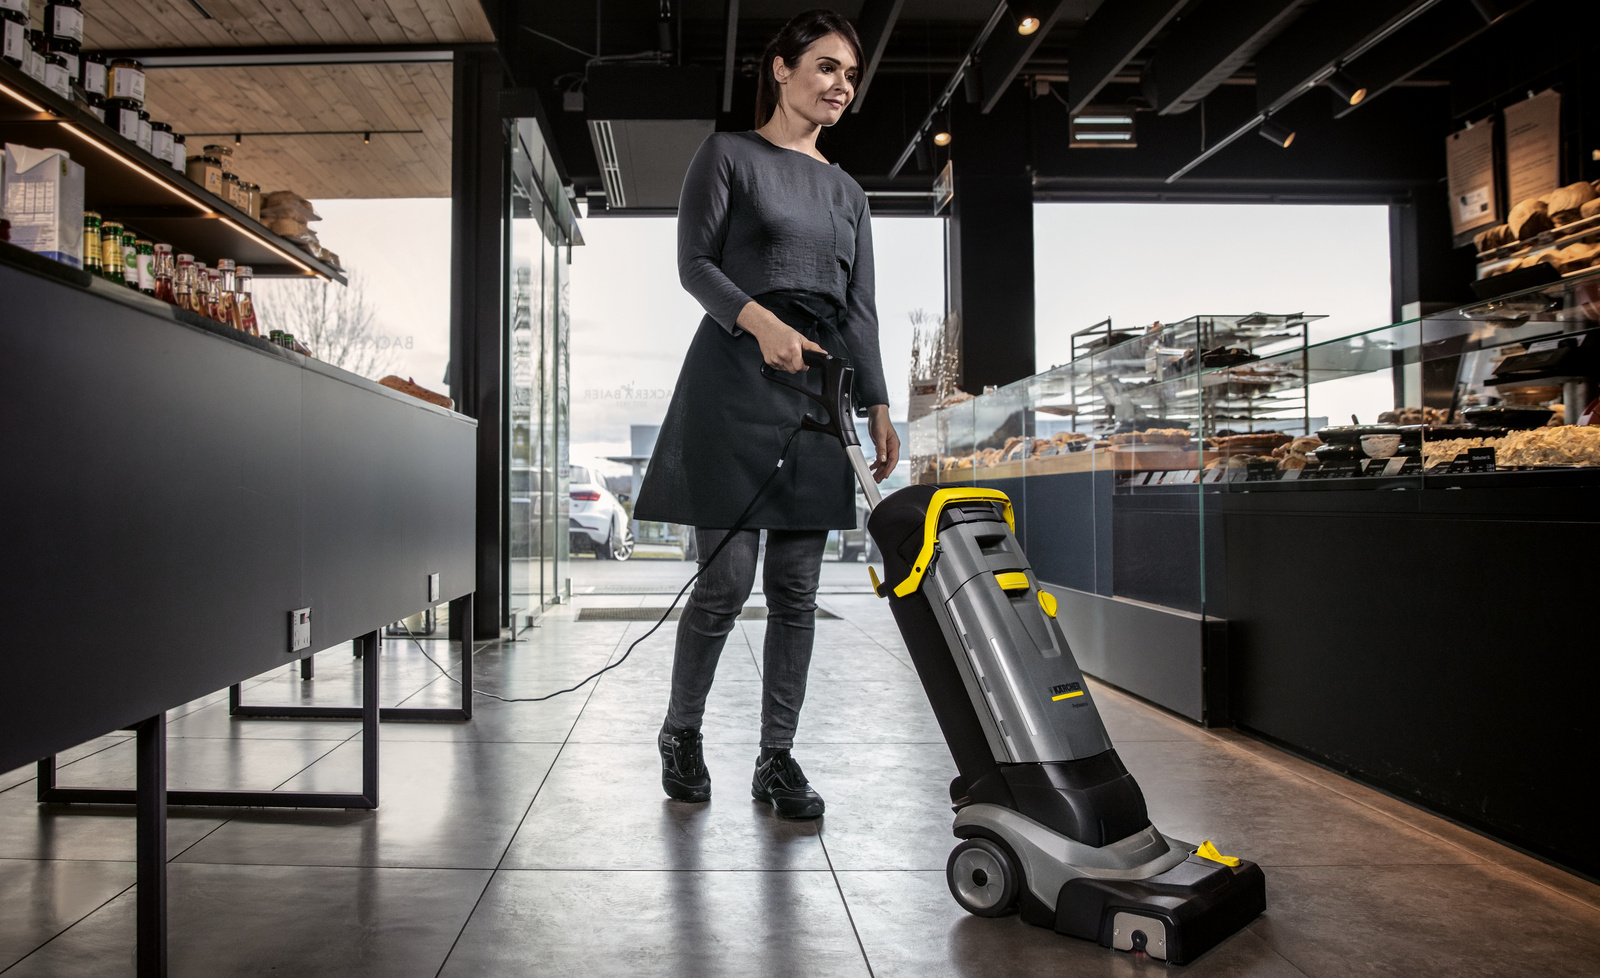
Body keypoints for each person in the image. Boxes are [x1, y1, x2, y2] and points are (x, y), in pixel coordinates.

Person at [632, 8, 899, 820]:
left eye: (850, 76)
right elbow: (695, 265)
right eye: (825, 68)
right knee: (724, 584)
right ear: (780, 69)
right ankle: (682, 732)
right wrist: (760, 323)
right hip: (734, 377)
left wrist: (877, 402)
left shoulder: (849, 192)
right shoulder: (730, 156)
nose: (840, 87)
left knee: (797, 585)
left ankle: (776, 758)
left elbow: (860, 309)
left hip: (817, 387)